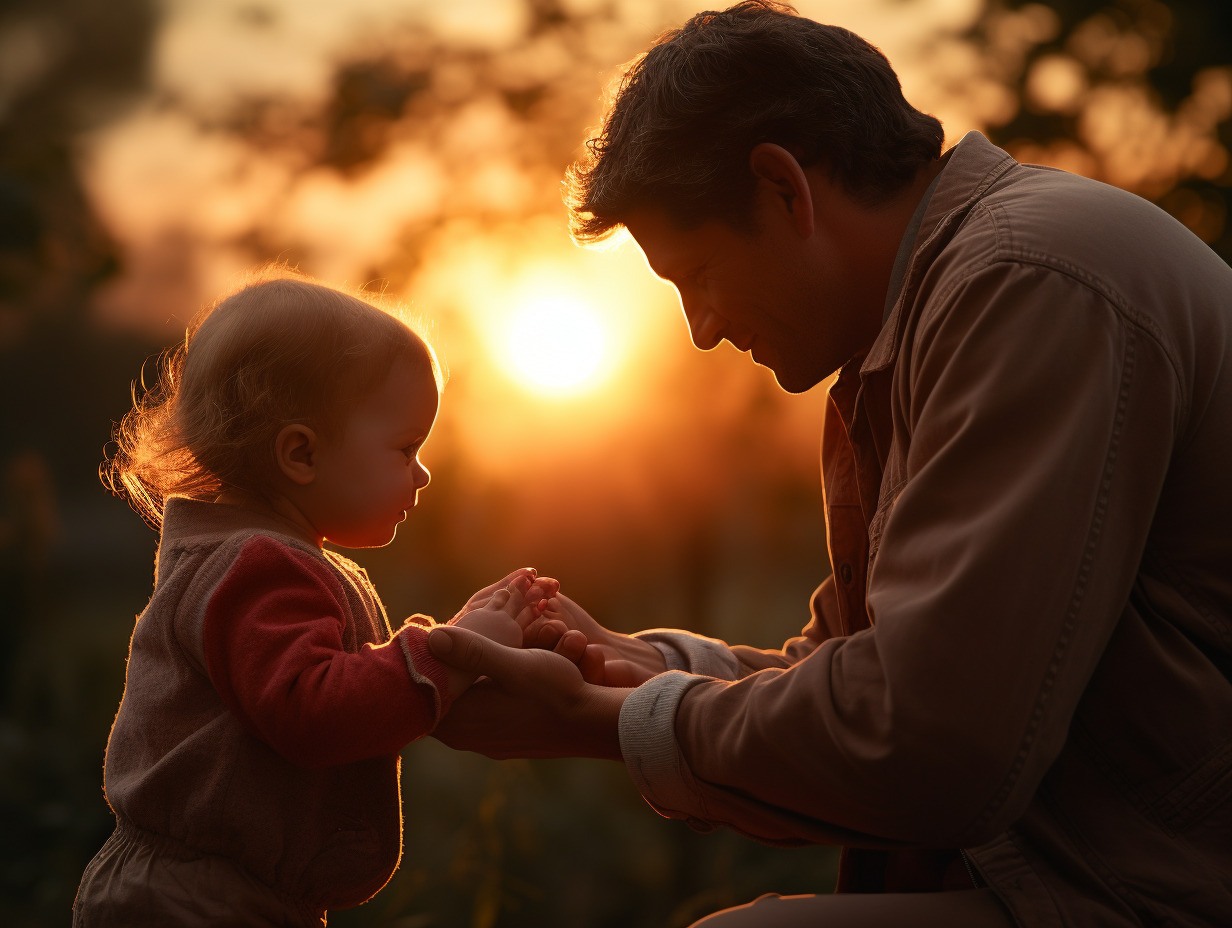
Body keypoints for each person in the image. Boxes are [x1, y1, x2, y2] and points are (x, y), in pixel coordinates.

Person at [425, 2, 1232, 926]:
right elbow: (851, 669)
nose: (702, 330)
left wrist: (600, 721)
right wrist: (628, 666)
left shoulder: (1027, 282)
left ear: (783, 189)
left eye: (693, 276)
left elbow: (930, 741)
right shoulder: (909, 330)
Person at [73, 271, 562, 927]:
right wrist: (448, 654)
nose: (422, 473)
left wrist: (471, 642)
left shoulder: (254, 558)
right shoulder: (260, 569)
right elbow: (312, 709)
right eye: (404, 447)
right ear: (300, 453)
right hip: (195, 906)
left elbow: (333, 683)